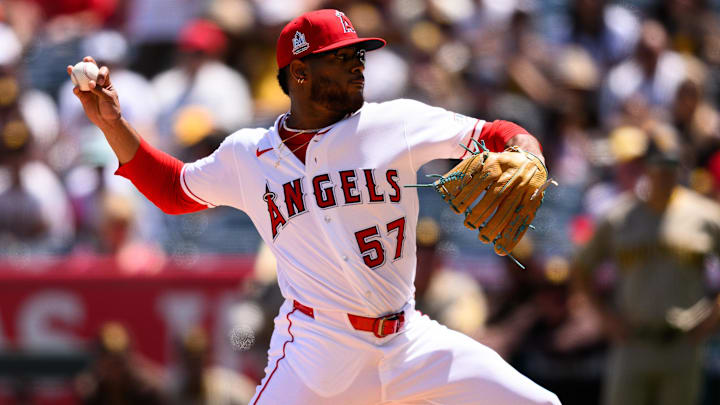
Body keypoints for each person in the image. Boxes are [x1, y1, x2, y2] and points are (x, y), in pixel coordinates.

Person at [68, 9, 560, 405]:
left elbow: (494, 133)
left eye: (358, 54)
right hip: (317, 349)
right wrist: (113, 124)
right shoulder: (248, 155)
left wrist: (527, 150)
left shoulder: (396, 122)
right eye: (341, 57)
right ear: (299, 72)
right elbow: (173, 189)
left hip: (409, 340)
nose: (357, 63)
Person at [574, 130, 720, 405]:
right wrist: (605, 318)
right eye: (659, 167)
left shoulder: (704, 216)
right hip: (632, 340)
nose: (665, 174)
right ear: (647, 169)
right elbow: (582, 267)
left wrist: (713, 318)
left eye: (671, 166)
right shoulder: (620, 216)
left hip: (683, 342)